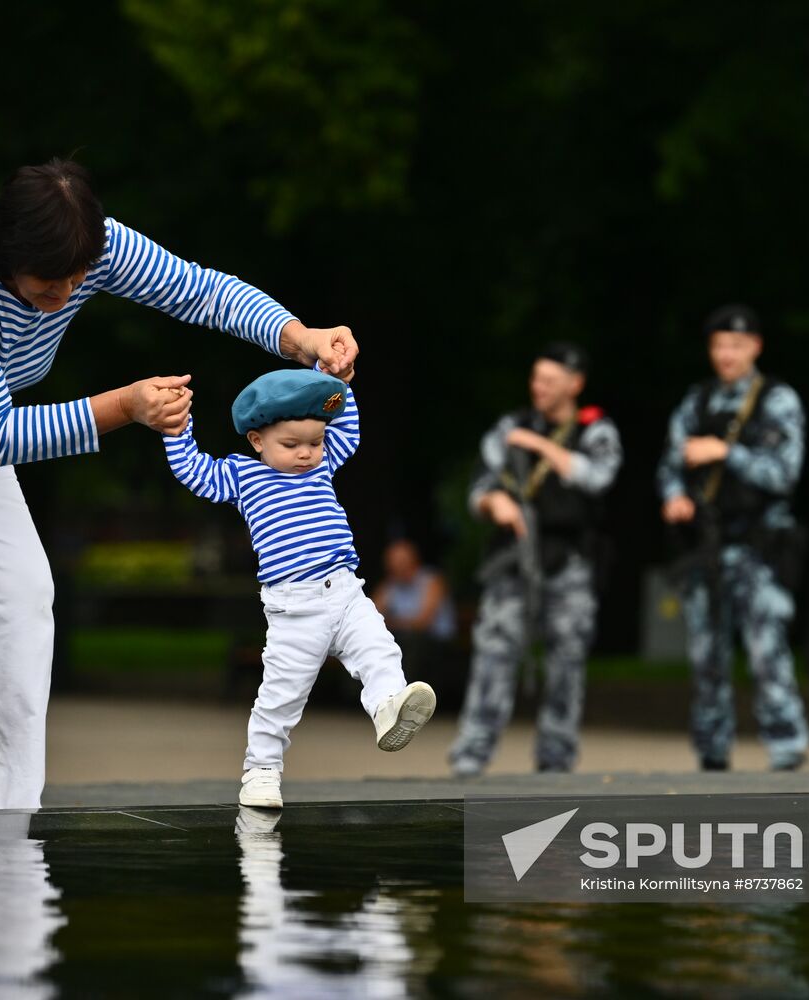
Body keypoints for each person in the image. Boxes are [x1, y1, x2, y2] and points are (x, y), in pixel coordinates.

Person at [0, 158, 357, 813]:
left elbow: (200, 291)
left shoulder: (96, 247)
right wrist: (126, 406)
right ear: (1, 256)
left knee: (25, 593)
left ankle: (3, 807)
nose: (63, 296)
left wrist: (300, 337)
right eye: (47, 284)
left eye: (76, 280)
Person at [164, 368, 436, 808]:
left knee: (380, 649)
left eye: (315, 442)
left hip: (345, 590)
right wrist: (178, 427)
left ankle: (388, 706)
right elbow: (194, 472)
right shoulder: (242, 476)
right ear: (257, 441)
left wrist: (334, 378)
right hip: (295, 607)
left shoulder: (324, 462)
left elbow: (348, 423)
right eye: (291, 445)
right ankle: (262, 770)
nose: (307, 454)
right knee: (281, 696)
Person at [448, 342, 622, 776]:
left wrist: (540, 446)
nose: (538, 387)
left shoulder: (595, 429)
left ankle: (556, 760)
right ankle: (471, 757)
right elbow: (479, 487)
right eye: (535, 378)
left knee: (567, 658)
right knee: (494, 652)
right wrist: (494, 504)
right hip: (513, 557)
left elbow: (597, 477)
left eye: (549, 380)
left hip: (569, 562)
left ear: (574, 384)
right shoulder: (512, 425)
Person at [656, 304, 809, 771]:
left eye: (737, 345)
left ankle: (786, 745)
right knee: (705, 653)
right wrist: (673, 495)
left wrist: (727, 451)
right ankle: (712, 749)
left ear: (755, 347)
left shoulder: (777, 400)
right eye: (720, 345)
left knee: (767, 649)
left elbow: (784, 474)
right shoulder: (697, 401)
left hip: (759, 543)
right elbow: (670, 463)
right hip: (707, 541)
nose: (727, 354)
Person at [373, 539, 456, 684]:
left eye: (401, 561)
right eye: (392, 563)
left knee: (411, 641)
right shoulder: (391, 585)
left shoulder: (431, 580)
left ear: (413, 560)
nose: (397, 566)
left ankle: (404, 692)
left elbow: (423, 622)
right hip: (404, 637)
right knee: (374, 639)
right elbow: (370, 616)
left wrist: (390, 622)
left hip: (436, 643)